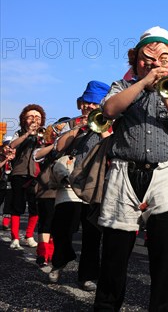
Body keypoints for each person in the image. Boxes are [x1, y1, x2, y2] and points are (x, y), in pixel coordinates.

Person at [93, 26, 168, 311]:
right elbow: (110, 111)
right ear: (135, 60)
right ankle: (106, 306)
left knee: (164, 253)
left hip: (163, 173)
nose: (155, 63)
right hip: (124, 172)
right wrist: (144, 82)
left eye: (163, 58)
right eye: (147, 58)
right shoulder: (122, 87)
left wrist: (166, 97)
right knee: (115, 251)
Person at [46, 80, 111, 291]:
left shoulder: (110, 123)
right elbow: (58, 148)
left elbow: (111, 148)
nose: (88, 107)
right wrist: (76, 128)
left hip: (96, 182)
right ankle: (60, 261)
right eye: (85, 102)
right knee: (62, 226)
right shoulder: (71, 123)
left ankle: (87, 276)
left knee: (92, 233)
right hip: (70, 182)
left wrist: (100, 125)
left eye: (93, 104)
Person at [7, 104, 47, 250]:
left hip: (36, 174)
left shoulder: (44, 133)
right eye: (30, 116)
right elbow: (12, 145)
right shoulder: (19, 133)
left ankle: (29, 236)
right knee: (17, 206)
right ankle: (15, 237)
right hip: (19, 173)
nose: (34, 119)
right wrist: (27, 134)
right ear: (24, 119)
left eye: (37, 117)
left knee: (34, 207)